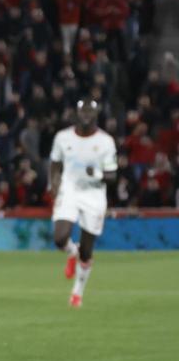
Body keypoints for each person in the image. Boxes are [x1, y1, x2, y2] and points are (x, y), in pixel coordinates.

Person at [49, 98, 117, 308]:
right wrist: (54, 185)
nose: (86, 115)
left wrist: (96, 174)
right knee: (60, 238)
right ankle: (71, 251)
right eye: (83, 111)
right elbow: (55, 162)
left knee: (87, 251)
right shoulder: (62, 137)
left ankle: (77, 293)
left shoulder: (105, 141)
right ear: (77, 113)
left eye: (90, 111)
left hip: (94, 195)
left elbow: (112, 175)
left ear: (96, 115)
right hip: (69, 190)